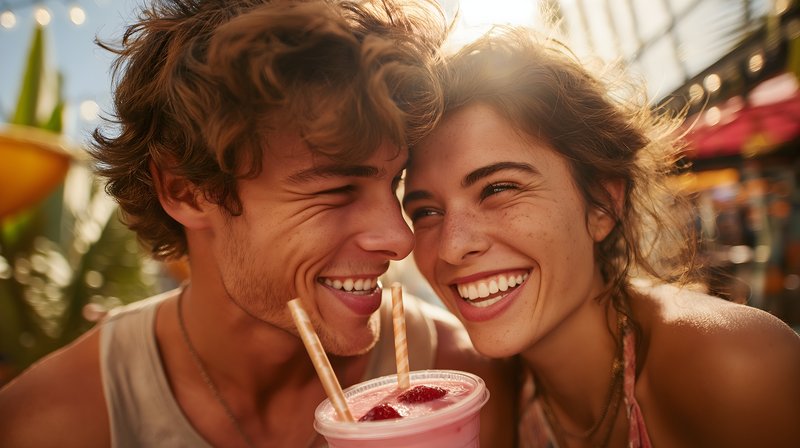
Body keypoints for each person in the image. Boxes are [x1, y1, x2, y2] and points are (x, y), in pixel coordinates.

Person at [0, 1, 518, 446]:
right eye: (337, 189)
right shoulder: (49, 423)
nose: (400, 239)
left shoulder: (464, 378)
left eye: (395, 183)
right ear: (186, 190)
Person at [402, 26, 800, 448]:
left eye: (498, 189)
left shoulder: (736, 368)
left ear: (602, 205)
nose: (452, 246)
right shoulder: (482, 399)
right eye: (425, 211)